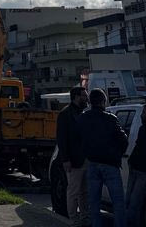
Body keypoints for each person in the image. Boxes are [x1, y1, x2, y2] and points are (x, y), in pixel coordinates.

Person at [79, 88, 128, 227]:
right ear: (103, 101)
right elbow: (123, 139)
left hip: (92, 163)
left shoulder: (83, 118)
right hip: (110, 163)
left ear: (90, 102)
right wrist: (117, 154)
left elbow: (79, 138)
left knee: (94, 203)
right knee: (118, 203)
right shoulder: (110, 118)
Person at [57, 86, 90, 226]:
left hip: (85, 158)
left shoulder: (84, 112)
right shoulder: (65, 114)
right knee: (73, 191)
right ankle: (74, 219)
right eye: (84, 95)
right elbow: (62, 139)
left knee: (84, 192)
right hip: (73, 160)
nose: (86, 98)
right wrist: (66, 159)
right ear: (76, 97)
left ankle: (84, 217)